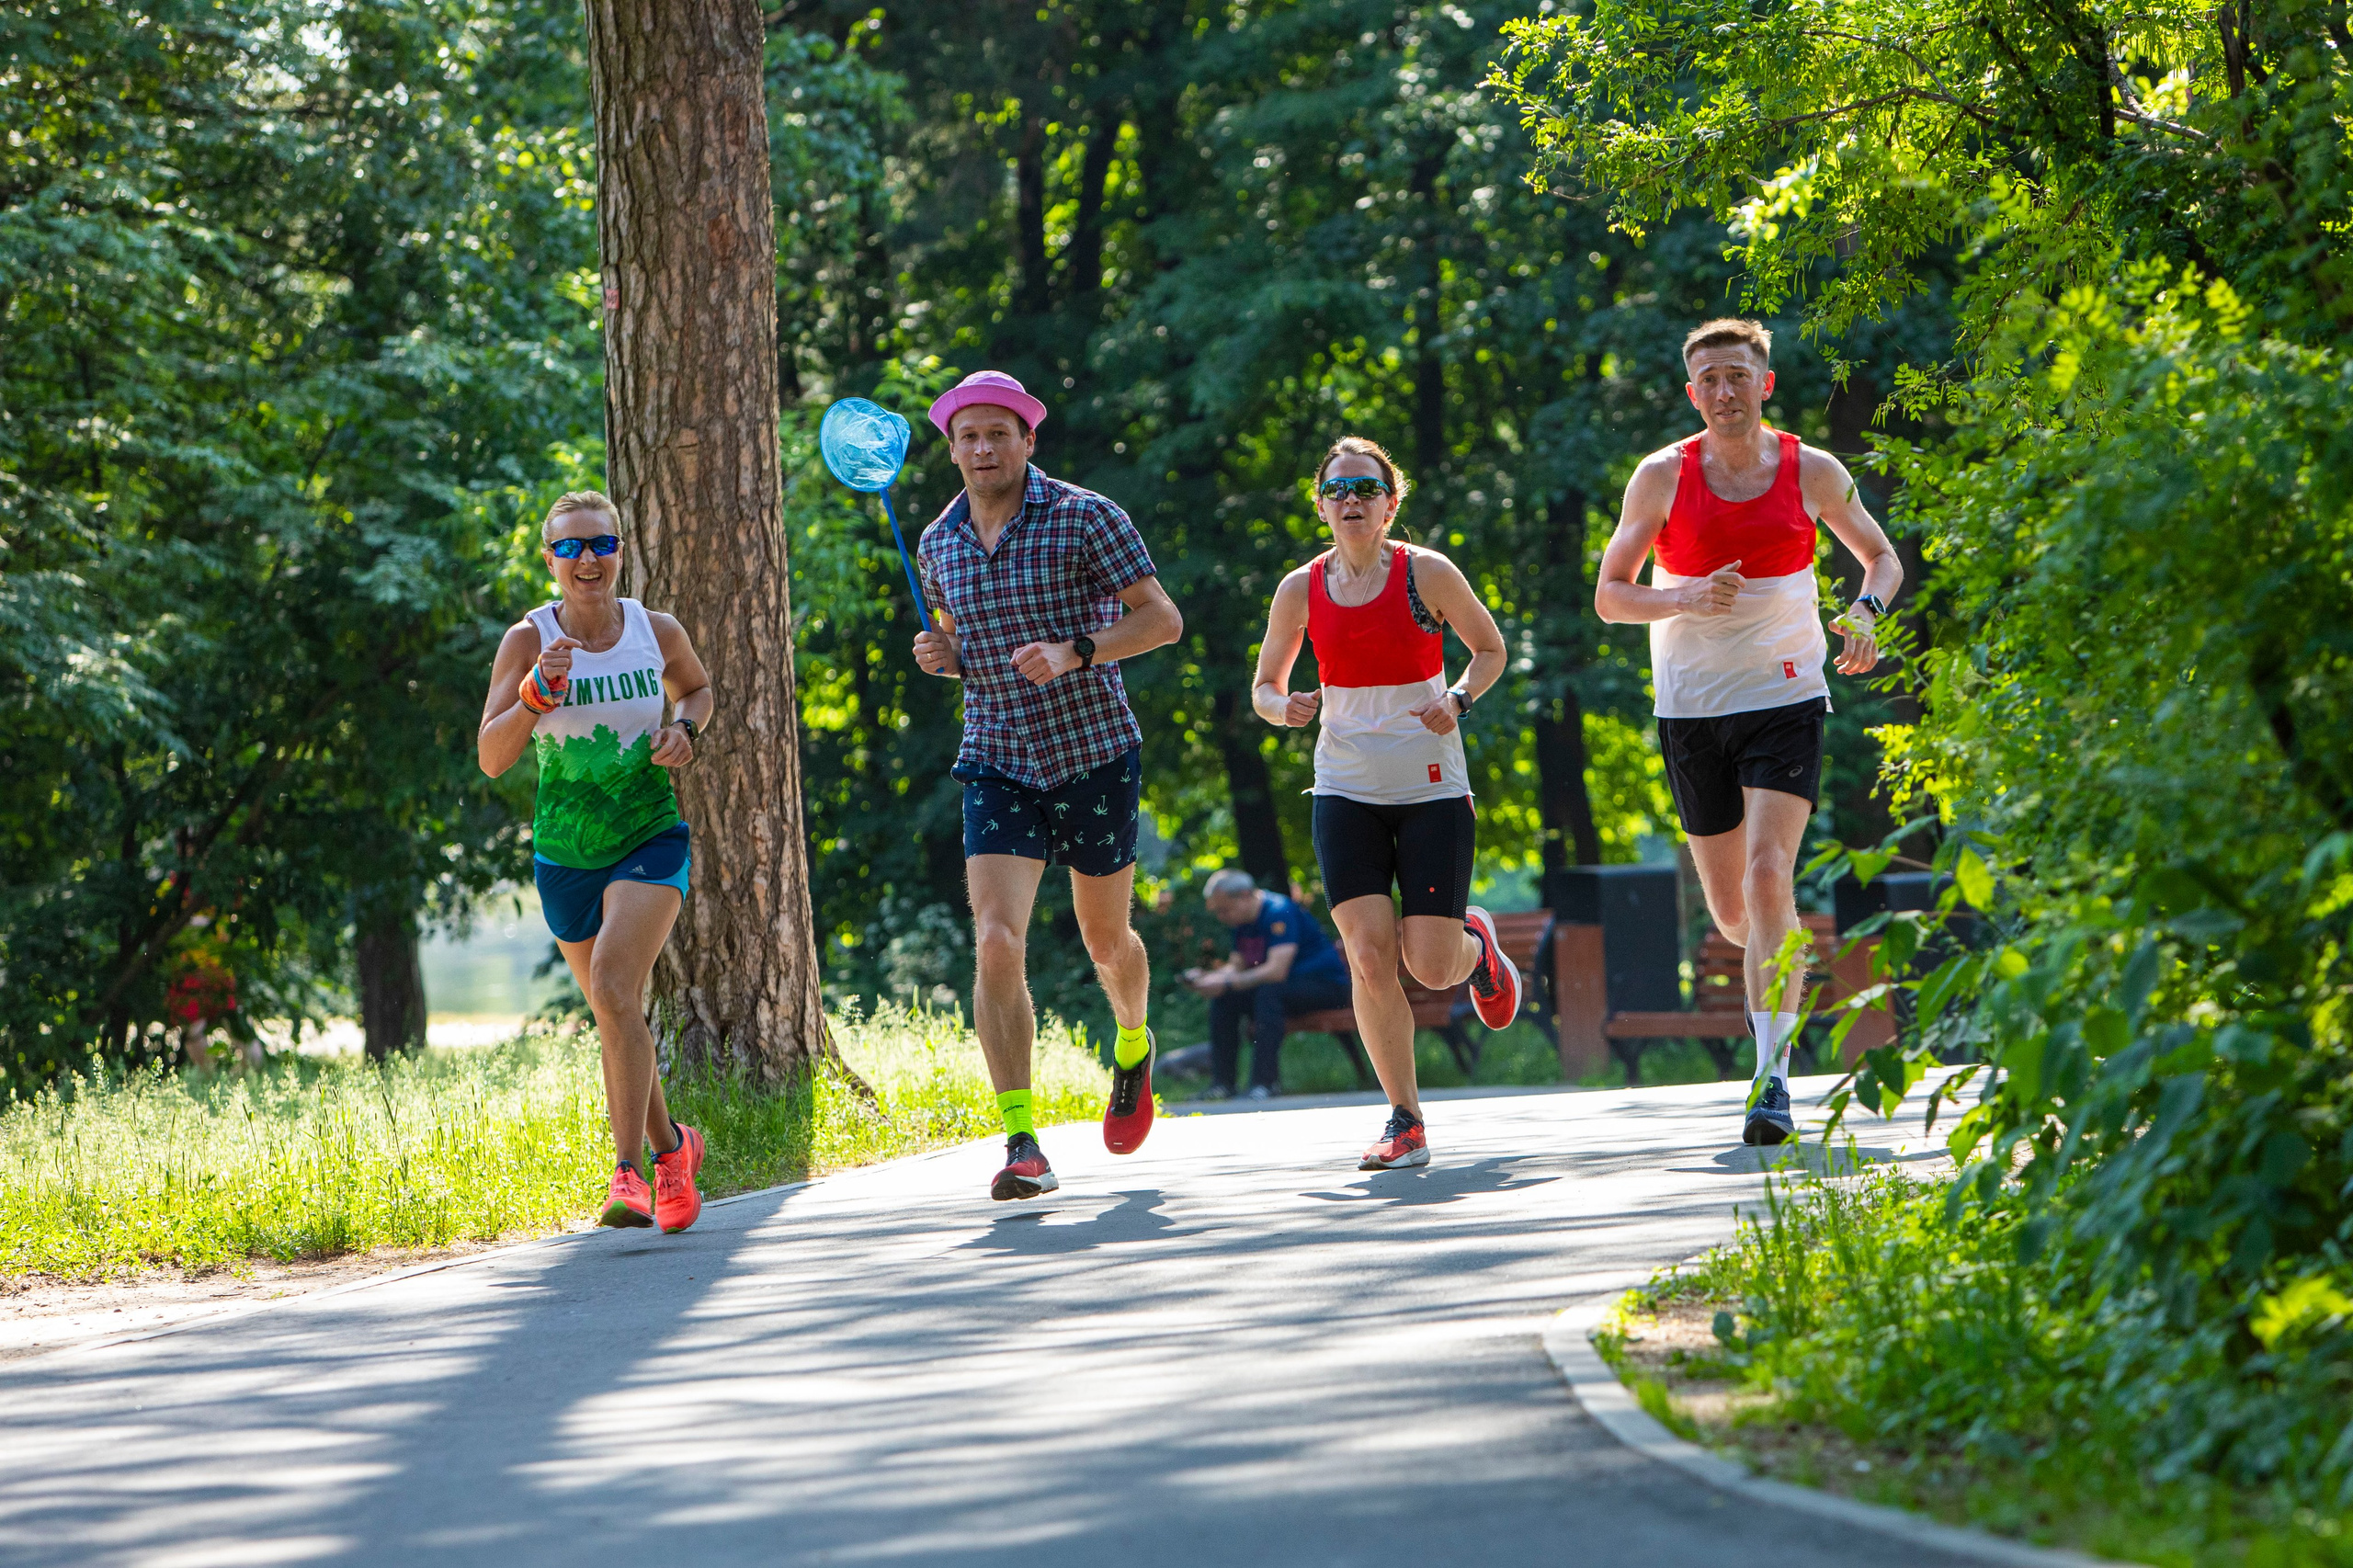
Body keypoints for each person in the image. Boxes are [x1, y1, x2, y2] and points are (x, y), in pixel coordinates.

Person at [1595, 318, 1903, 1146]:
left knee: (1772, 877)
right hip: (1692, 704)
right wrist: (1683, 598)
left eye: (1738, 375)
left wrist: (1864, 613)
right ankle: (1777, 950)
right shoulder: (1661, 477)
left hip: (1787, 692)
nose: (1724, 391)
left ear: (1766, 384)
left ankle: (1771, 1081)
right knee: (1737, 914)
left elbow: (1881, 559)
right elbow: (1612, 595)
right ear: (1691, 392)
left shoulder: (1813, 470)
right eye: (1709, 380)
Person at [911, 370, 1185, 1201]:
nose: (983, 448)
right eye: (968, 437)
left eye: (999, 433)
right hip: (996, 752)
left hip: (1092, 748)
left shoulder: (1087, 516)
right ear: (952, 448)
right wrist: (943, 655)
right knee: (996, 939)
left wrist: (1079, 649)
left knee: (1106, 943)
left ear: (1028, 440)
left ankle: (1132, 1043)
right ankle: (1021, 1139)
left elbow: (1162, 620)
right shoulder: (937, 542)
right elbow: (956, 637)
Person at [1250, 436, 1522, 1172]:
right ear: (1320, 506)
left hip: (1431, 784)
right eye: (1337, 491)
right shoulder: (1300, 588)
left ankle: (1479, 949)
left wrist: (1460, 698)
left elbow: (1491, 650)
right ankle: (1405, 1118)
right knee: (1370, 958)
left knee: (1431, 967)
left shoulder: (1425, 573)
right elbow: (1264, 687)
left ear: (1390, 501)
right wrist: (1286, 709)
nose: (1352, 502)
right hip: (1344, 787)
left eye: (1366, 489)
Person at [478, 491, 716, 1231]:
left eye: (601, 545)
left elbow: (699, 690)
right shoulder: (528, 639)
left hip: (649, 835)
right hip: (565, 852)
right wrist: (533, 695)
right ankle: (676, 1150)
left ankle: (628, 1176)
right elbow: (492, 757)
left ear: (620, 552)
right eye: (571, 547)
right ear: (549, 560)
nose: (588, 559)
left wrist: (685, 730)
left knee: (615, 983)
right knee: (615, 1011)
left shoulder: (655, 629)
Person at [1183, 869, 1352, 1100]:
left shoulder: (1278, 911)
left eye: (1224, 910)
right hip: (1285, 989)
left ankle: (1264, 1084)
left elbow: (1276, 971)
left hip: (1326, 987)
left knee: (1269, 993)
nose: (1221, 917)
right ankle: (1223, 1084)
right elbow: (1237, 966)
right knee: (1225, 997)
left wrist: (1229, 982)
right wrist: (1210, 978)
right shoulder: (1242, 922)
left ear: (1244, 895)